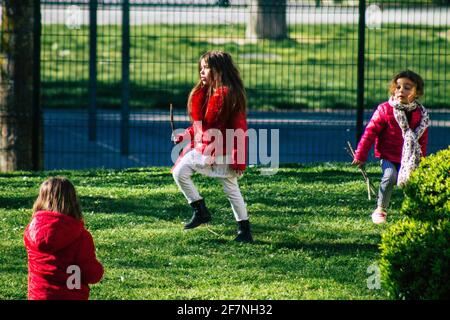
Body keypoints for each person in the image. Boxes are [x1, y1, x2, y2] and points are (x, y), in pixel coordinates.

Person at [171, 50, 253, 243]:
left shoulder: (230, 97)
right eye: (201, 68)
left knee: (229, 189)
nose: (201, 72)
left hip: (222, 153)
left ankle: (237, 227)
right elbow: (201, 126)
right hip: (207, 150)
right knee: (182, 173)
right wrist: (183, 136)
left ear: (219, 71)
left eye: (206, 68)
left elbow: (239, 130)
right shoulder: (208, 94)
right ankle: (207, 213)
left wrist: (238, 157)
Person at [352, 70, 429, 224]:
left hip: (410, 158)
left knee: (414, 181)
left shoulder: (421, 114)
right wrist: (360, 154)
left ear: (417, 92)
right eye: (398, 87)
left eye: (407, 87)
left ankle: (415, 210)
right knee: (390, 176)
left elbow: (422, 140)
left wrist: (423, 160)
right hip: (388, 156)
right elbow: (370, 132)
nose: (401, 91)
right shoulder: (385, 109)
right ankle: (380, 209)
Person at [24, 176, 104, 300]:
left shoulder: (31, 232)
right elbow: (90, 273)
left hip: (39, 296)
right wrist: (99, 271)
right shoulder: (81, 236)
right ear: (73, 202)